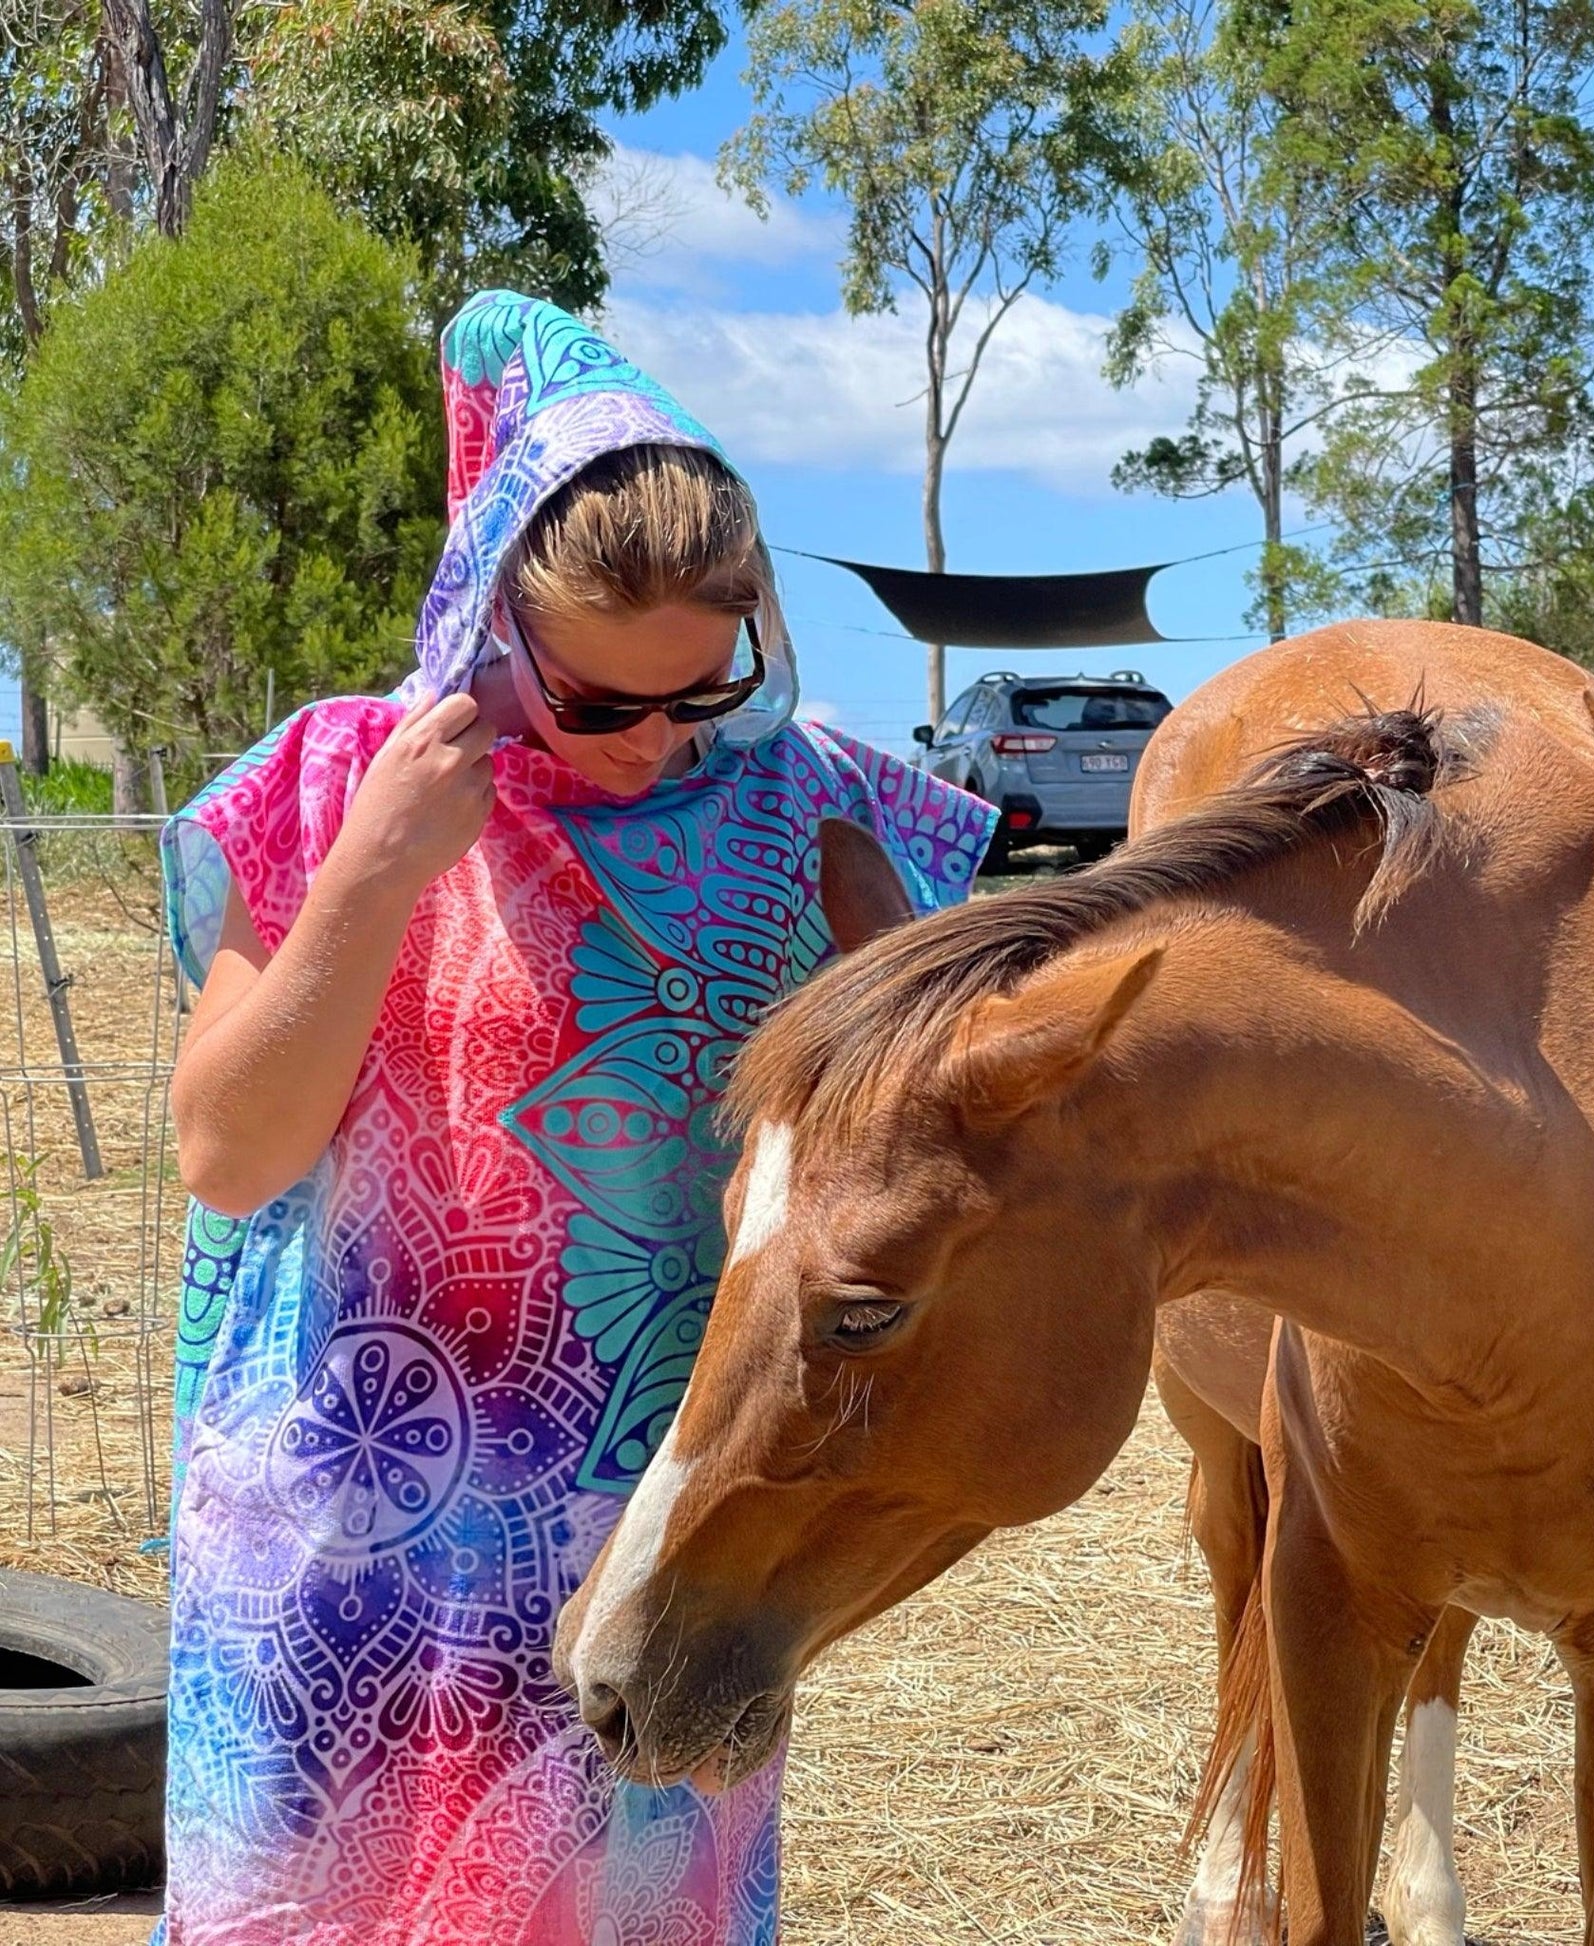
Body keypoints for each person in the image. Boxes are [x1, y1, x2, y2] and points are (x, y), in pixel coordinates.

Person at [156, 291, 996, 1946]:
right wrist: (375, 870)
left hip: (656, 1555)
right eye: (598, 702)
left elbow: (923, 1141)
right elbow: (229, 1155)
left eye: (702, 688)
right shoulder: (333, 779)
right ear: (490, 615)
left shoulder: (822, 808)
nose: (658, 741)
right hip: (349, 1544)